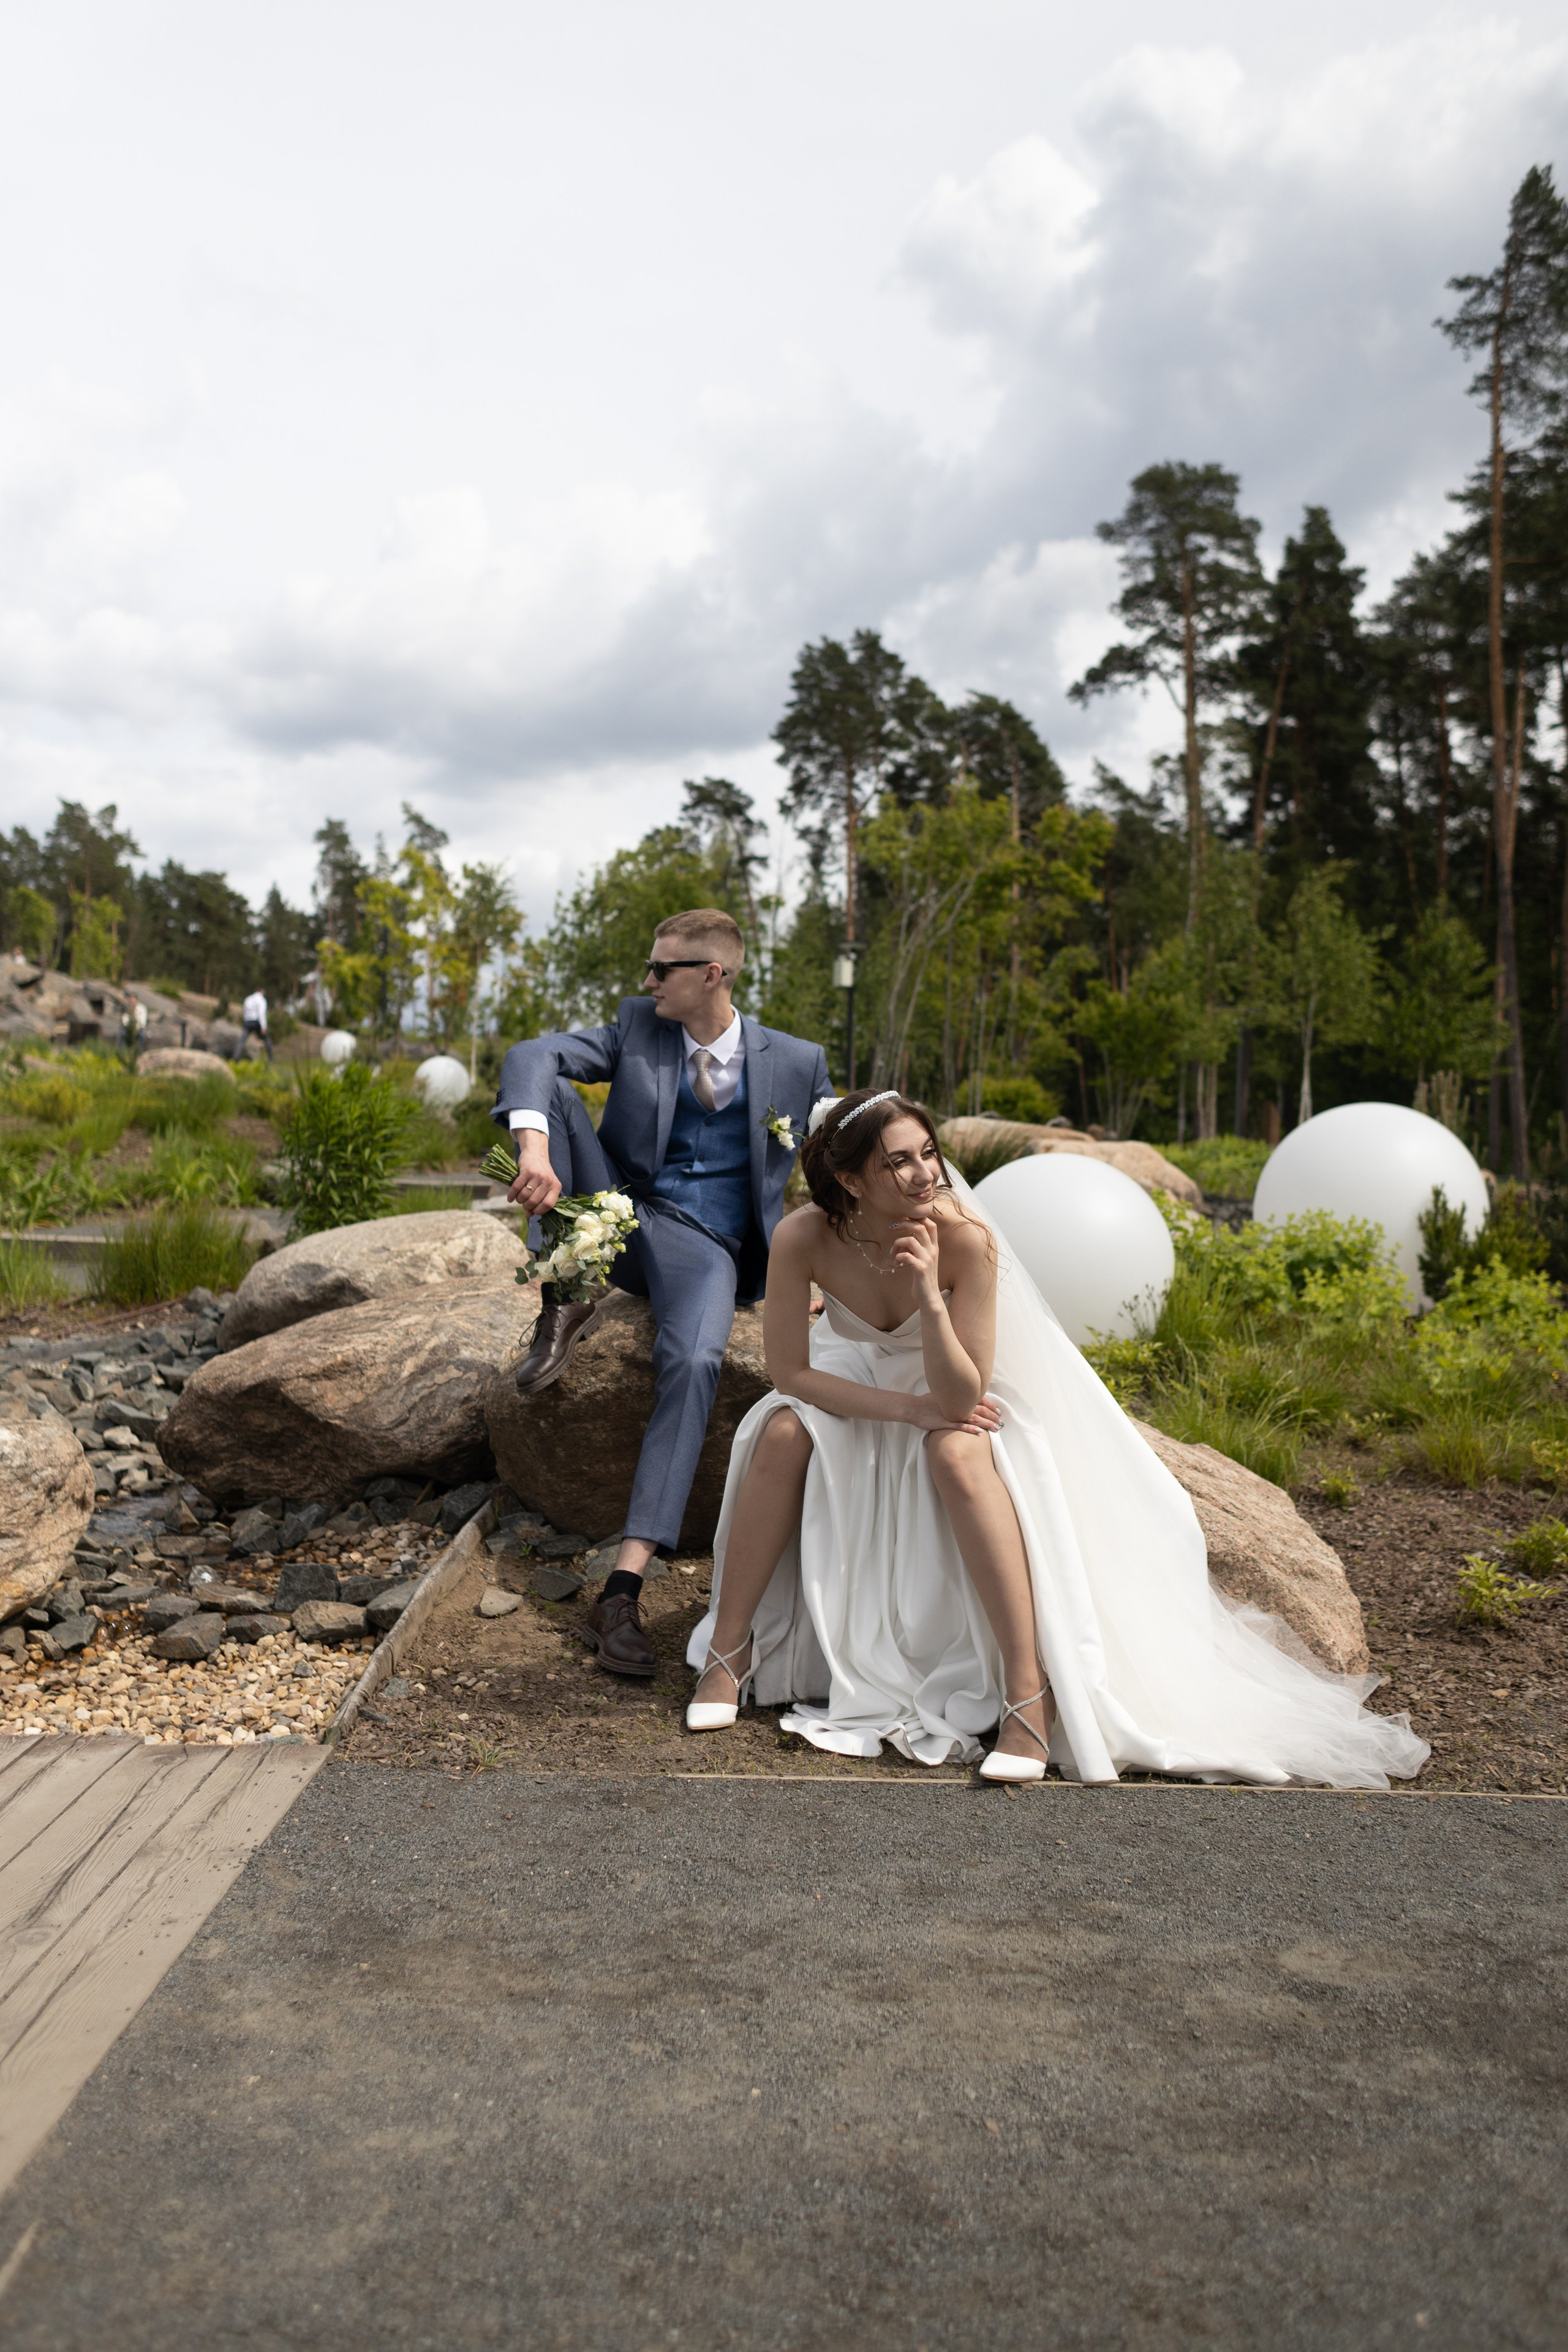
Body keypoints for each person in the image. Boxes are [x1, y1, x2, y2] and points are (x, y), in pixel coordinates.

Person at [684, 1089, 1430, 1790]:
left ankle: (1025, 1696)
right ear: (849, 1181)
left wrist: (926, 1299)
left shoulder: (964, 1236)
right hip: (854, 1381)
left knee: (957, 1447)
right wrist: (900, 1411)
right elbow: (789, 1371)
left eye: (927, 1152)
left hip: (950, 1377)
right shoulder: (803, 1236)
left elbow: (960, 1395)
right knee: (782, 1431)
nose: (924, 1174)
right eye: (898, 1162)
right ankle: (730, 1649)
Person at [493, 908, 832, 1680]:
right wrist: (537, 1150)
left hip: (707, 1247)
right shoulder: (635, 1028)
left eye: (662, 970)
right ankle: (574, 1283)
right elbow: (531, 1054)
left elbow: (833, 1164)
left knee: (693, 1359)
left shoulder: (797, 1061)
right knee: (555, 1092)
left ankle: (622, 1587)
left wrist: (813, 1272)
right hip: (618, 1206)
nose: (647, 983)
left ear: (712, 975)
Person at [241, 987, 273, 1062]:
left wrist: (247, 1023)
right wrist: (263, 1026)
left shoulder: (248, 999)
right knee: (267, 1039)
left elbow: (245, 1011)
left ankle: (236, 1058)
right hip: (257, 1022)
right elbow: (261, 1013)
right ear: (262, 992)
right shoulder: (262, 1000)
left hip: (248, 1022)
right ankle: (271, 1059)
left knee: (242, 1041)